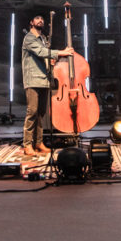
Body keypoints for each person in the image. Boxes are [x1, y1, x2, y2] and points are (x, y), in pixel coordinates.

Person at [21, 14, 74, 157]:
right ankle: (27, 145)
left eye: (42, 19)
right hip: (33, 79)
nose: (40, 21)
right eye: (37, 18)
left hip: (44, 80)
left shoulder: (43, 39)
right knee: (32, 112)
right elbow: (41, 52)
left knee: (41, 113)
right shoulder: (29, 38)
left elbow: (44, 55)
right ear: (31, 22)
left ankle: (38, 143)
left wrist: (50, 63)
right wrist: (61, 52)